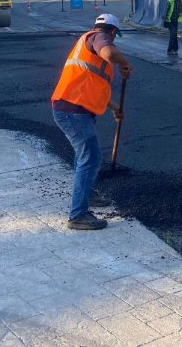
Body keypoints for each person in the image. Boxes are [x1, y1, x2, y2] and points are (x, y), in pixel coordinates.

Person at [51, 14, 132, 230]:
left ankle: (88, 193)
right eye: (114, 36)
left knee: (84, 156)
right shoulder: (98, 38)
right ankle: (77, 215)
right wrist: (124, 62)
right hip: (71, 110)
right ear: (112, 32)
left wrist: (115, 108)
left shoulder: (89, 49)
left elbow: (90, 88)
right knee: (91, 156)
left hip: (75, 108)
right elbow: (110, 52)